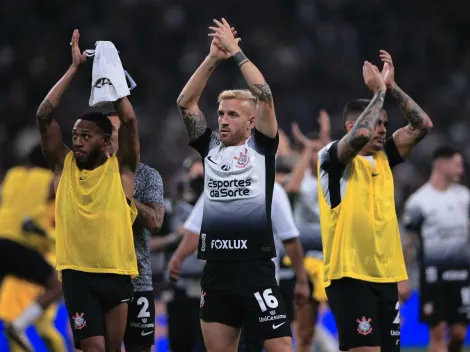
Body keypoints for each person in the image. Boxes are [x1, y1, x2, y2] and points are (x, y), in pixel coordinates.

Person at [176, 18, 309, 352]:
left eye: (232, 114)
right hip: (216, 272)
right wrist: (211, 59)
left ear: (251, 122)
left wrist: (235, 51)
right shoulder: (209, 151)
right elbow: (185, 103)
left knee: (281, 348)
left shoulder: (261, 149)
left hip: (256, 270)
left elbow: (264, 95)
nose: (222, 119)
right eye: (221, 113)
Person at [317, 51, 432, 352]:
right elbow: (360, 136)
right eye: (377, 123)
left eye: (385, 123)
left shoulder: (383, 158)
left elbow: (422, 126)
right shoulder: (331, 158)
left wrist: (392, 88)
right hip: (349, 274)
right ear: (349, 126)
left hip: (385, 275)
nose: (382, 129)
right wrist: (378, 92)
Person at [36, 29, 140, 352]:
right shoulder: (62, 166)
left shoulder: (121, 169)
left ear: (106, 142)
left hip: (118, 273)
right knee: (92, 348)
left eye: (86, 136)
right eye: (75, 135)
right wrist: (74, 69)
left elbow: (131, 122)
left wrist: (113, 80)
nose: (77, 141)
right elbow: (44, 116)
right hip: (77, 275)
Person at [169, 181, 306, 352]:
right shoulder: (215, 187)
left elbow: (290, 236)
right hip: (219, 280)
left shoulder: (270, 188)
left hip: (258, 282)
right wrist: (178, 257)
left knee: (279, 347)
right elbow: (196, 228)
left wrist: (302, 280)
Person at [106, 112, 165, 352]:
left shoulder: (147, 176)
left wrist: (125, 195)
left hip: (137, 282)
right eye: (107, 130)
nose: (111, 136)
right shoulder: (84, 176)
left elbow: (155, 222)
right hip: (96, 279)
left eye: (117, 131)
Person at [402, 146, 469, 352]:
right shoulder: (419, 201)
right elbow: (407, 243)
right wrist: (403, 279)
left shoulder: (464, 196)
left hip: (462, 274)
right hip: (432, 276)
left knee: (459, 333)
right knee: (437, 331)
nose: (461, 170)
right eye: (457, 165)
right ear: (441, 165)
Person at [0, 144, 63, 352]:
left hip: (1, 238)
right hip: (20, 245)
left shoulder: (12, 174)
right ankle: (19, 327)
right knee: (57, 285)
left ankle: (16, 328)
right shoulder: (48, 181)